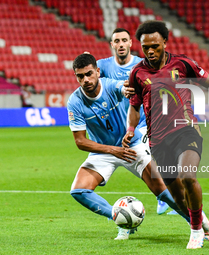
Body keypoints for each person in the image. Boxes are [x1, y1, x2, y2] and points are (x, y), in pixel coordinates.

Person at [122, 21, 209, 249]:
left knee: (187, 176)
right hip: (157, 140)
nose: (150, 51)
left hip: (186, 130)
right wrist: (130, 129)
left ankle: (195, 231)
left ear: (165, 42)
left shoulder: (183, 64)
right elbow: (134, 107)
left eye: (155, 45)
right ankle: (203, 223)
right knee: (177, 196)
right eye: (146, 47)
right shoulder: (137, 73)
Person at [68, 53, 200, 241]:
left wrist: (127, 90)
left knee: (163, 190)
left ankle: (197, 223)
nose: (86, 80)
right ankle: (122, 218)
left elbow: (122, 88)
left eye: (89, 74)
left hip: (131, 145)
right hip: (105, 151)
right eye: (80, 76)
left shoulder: (110, 84)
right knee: (79, 191)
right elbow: (80, 141)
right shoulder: (74, 101)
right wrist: (113, 150)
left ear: (98, 72)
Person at [97, 28, 171, 215]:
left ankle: (166, 197)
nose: (121, 44)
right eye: (117, 41)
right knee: (146, 162)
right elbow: (89, 78)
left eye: (124, 40)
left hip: (144, 122)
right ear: (112, 45)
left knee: (154, 158)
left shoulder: (142, 64)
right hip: (119, 127)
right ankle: (166, 195)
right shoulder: (103, 66)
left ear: (130, 43)